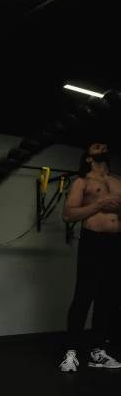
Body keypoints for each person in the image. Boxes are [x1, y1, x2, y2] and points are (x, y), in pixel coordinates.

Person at [59, 142, 121, 372]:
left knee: (108, 298)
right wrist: (99, 205)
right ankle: (71, 353)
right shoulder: (82, 182)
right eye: (97, 145)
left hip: (116, 243)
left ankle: (98, 352)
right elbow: (68, 215)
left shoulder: (118, 181)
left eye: (105, 144)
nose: (103, 146)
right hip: (93, 241)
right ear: (88, 157)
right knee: (84, 296)